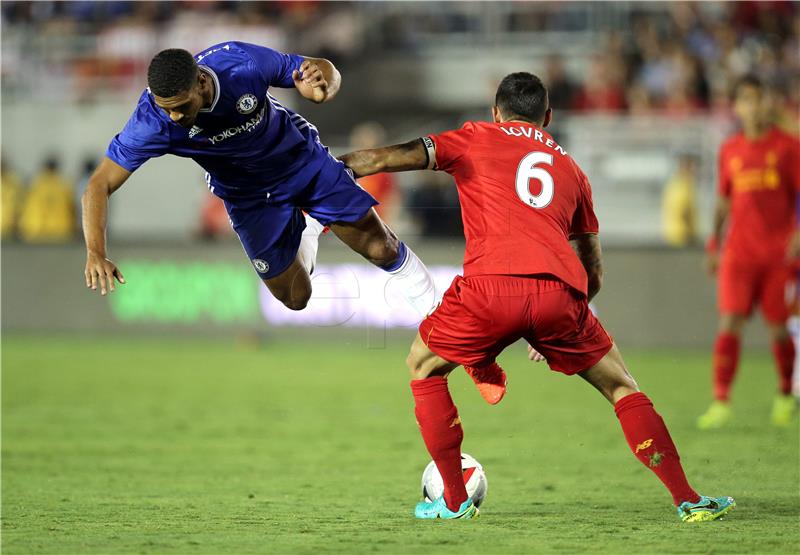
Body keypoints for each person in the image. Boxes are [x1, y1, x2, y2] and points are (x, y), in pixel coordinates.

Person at [340, 72, 735, 522]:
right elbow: (593, 268)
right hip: (558, 293)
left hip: (489, 289)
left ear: (496, 112)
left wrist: (328, 168)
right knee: (623, 386)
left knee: (423, 366)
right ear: (547, 117)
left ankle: (453, 500)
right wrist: (558, 317)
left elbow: (385, 158)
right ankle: (687, 499)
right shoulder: (572, 171)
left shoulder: (475, 137)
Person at [81, 42, 436, 321]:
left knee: (380, 247)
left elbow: (323, 70)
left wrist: (323, 88)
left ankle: (441, 318)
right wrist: (96, 252)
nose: (174, 116)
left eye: (180, 105)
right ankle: (309, 224)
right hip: (247, 196)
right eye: (165, 107)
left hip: (300, 161)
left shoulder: (240, 62)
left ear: (202, 82)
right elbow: (99, 184)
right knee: (296, 297)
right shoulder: (152, 123)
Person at [699, 75, 800, 429]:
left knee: (777, 329)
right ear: (737, 106)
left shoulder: (788, 146)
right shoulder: (730, 149)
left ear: (767, 103)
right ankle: (721, 400)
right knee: (729, 322)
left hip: (777, 256)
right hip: (738, 254)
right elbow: (723, 201)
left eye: (758, 99)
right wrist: (714, 243)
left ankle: (786, 394)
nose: (752, 107)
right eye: (745, 100)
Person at [19, 156, 77, 243]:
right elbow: (72, 207)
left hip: (36, 229)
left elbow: (25, 206)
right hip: (61, 229)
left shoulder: (35, 184)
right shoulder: (64, 184)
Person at [661, 154, 699, 247]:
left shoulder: (674, 184)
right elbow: (683, 211)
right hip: (682, 237)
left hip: (673, 236)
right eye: (692, 168)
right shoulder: (682, 186)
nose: (695, 172)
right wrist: (690, 234)